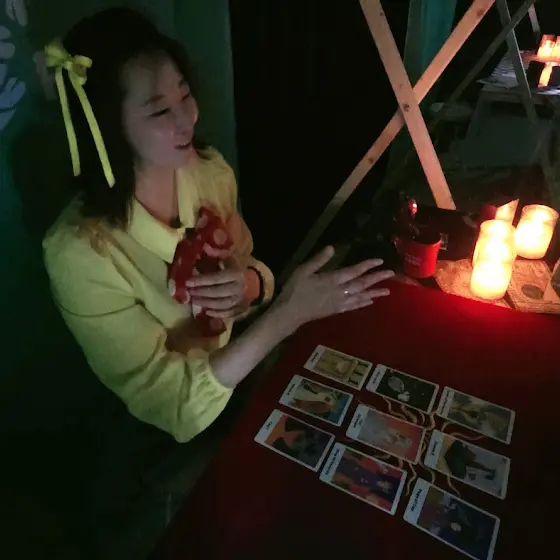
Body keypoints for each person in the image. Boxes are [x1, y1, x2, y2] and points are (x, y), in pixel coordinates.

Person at [43, 7, 393, 455]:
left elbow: (251, 268)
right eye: (160, 111)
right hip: (177, 427)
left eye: (185, 94)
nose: (187, 119)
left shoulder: (208, 172)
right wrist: (287, 315)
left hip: (248, 357)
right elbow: (169, 400)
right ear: (107, 127)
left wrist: (246, 285)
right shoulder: (81, 251)